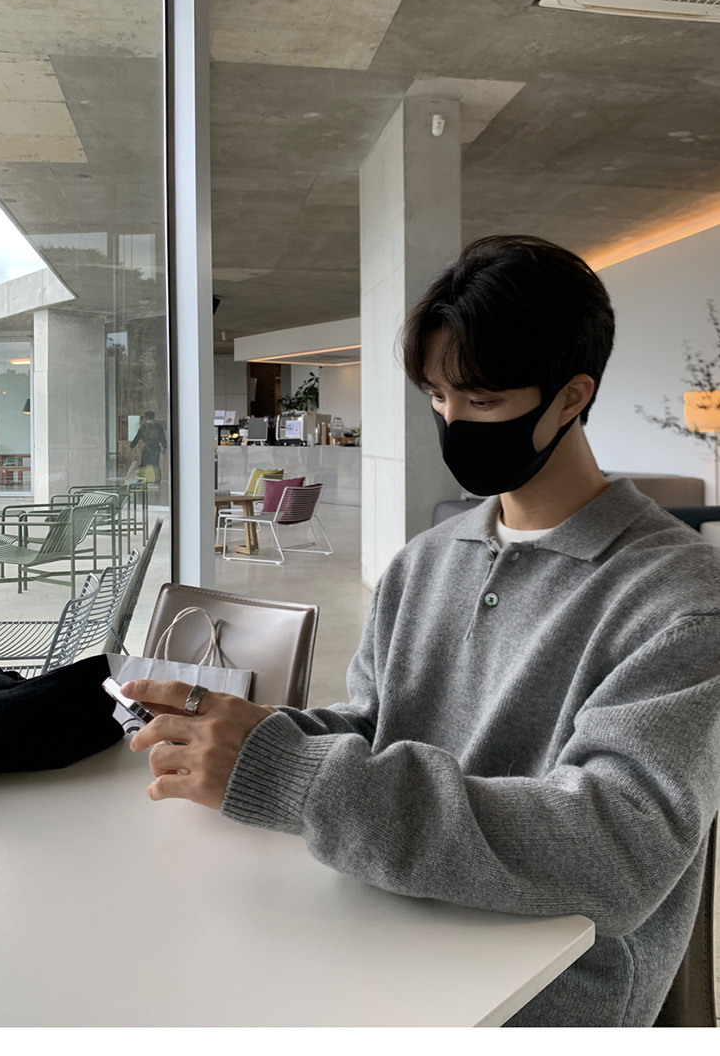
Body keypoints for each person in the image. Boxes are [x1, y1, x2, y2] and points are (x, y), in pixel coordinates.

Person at [121, 235, 720, 1027]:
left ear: (572, 397)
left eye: (482, 401)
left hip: (542, 996)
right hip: (381, 931)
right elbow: (377, 727)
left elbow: (615, 851)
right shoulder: (425, 561)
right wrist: (251, 736)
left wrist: (298, 778)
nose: (452, 421)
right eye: (437, 396)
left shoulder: (682, 599)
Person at [129, 410, 167, 483]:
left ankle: (140, 479)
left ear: (146, 418)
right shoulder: (158, 427)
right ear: (153, 417)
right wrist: (164, 447)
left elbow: (137, 438)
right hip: (156, 449)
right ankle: (157, 481)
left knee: (143, 465)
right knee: (156, 465)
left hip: (147, 448)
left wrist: (131, 446)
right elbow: (163, 438)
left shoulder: (143, 427)